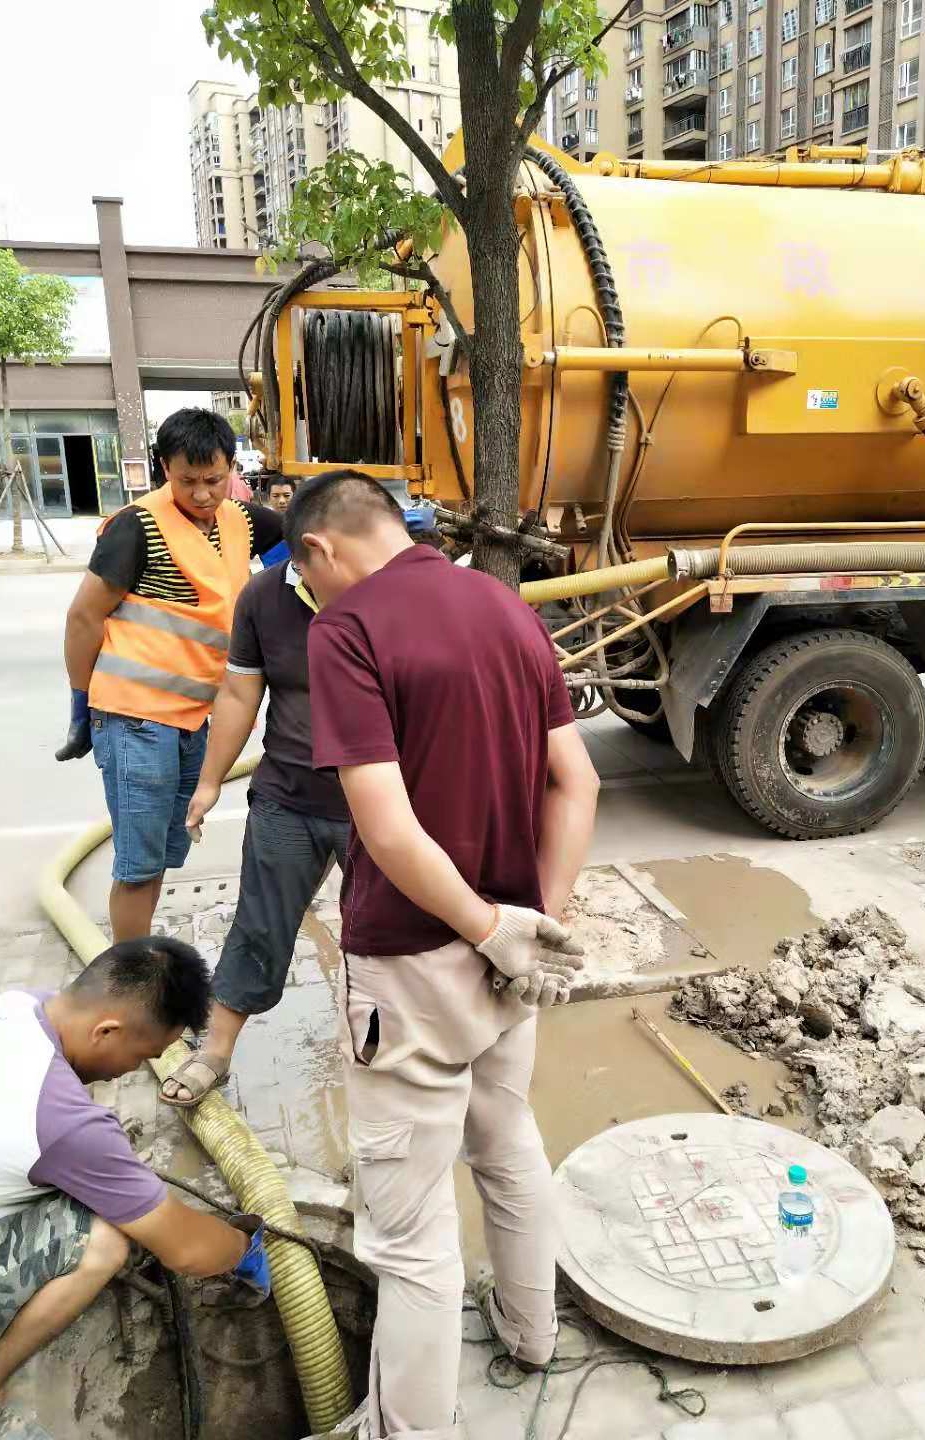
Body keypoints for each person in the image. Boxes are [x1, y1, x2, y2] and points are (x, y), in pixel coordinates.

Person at [286, 471, 601, 1440]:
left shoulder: (345, 631)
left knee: (412, 1235)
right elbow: (576, 781)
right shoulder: (504, 608)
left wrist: (485, 927)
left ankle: (414, 1431)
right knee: (507, 1140)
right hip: (507, 954)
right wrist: (528, 923)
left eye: (303, 574)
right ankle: (533, 1331)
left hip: (417, 962)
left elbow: (385, 828)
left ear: (321, 552)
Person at [0, 938, 269, 1437]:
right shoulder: (66, 1124)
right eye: (145, 1054)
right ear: (107, 1031)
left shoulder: (16, 1006)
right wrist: (242, 1247)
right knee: (104, 1236)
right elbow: (186, 1251)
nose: (135, 1069)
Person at [57, 409, 284, 944]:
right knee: (138, 863)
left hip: (192, 719)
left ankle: (139, 962)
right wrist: (79, 700)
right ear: (164, 468)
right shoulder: (137, 527)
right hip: (134, 716)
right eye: (187, 481)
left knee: (162, 851)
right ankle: (130, 976)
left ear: (233, 468)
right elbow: (84, 617)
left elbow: (304, 542)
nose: (203, 494)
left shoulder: (242, 520)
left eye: (214, 480)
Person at [159, 533, 348, 1106]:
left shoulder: (392, 595)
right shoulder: (265, 596)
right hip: (287, 795)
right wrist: (211, 780)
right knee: (260, 923)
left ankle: (385, 1047)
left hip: (380, 805)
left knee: (383, 935)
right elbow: (241, 693)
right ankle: (215, 1050)